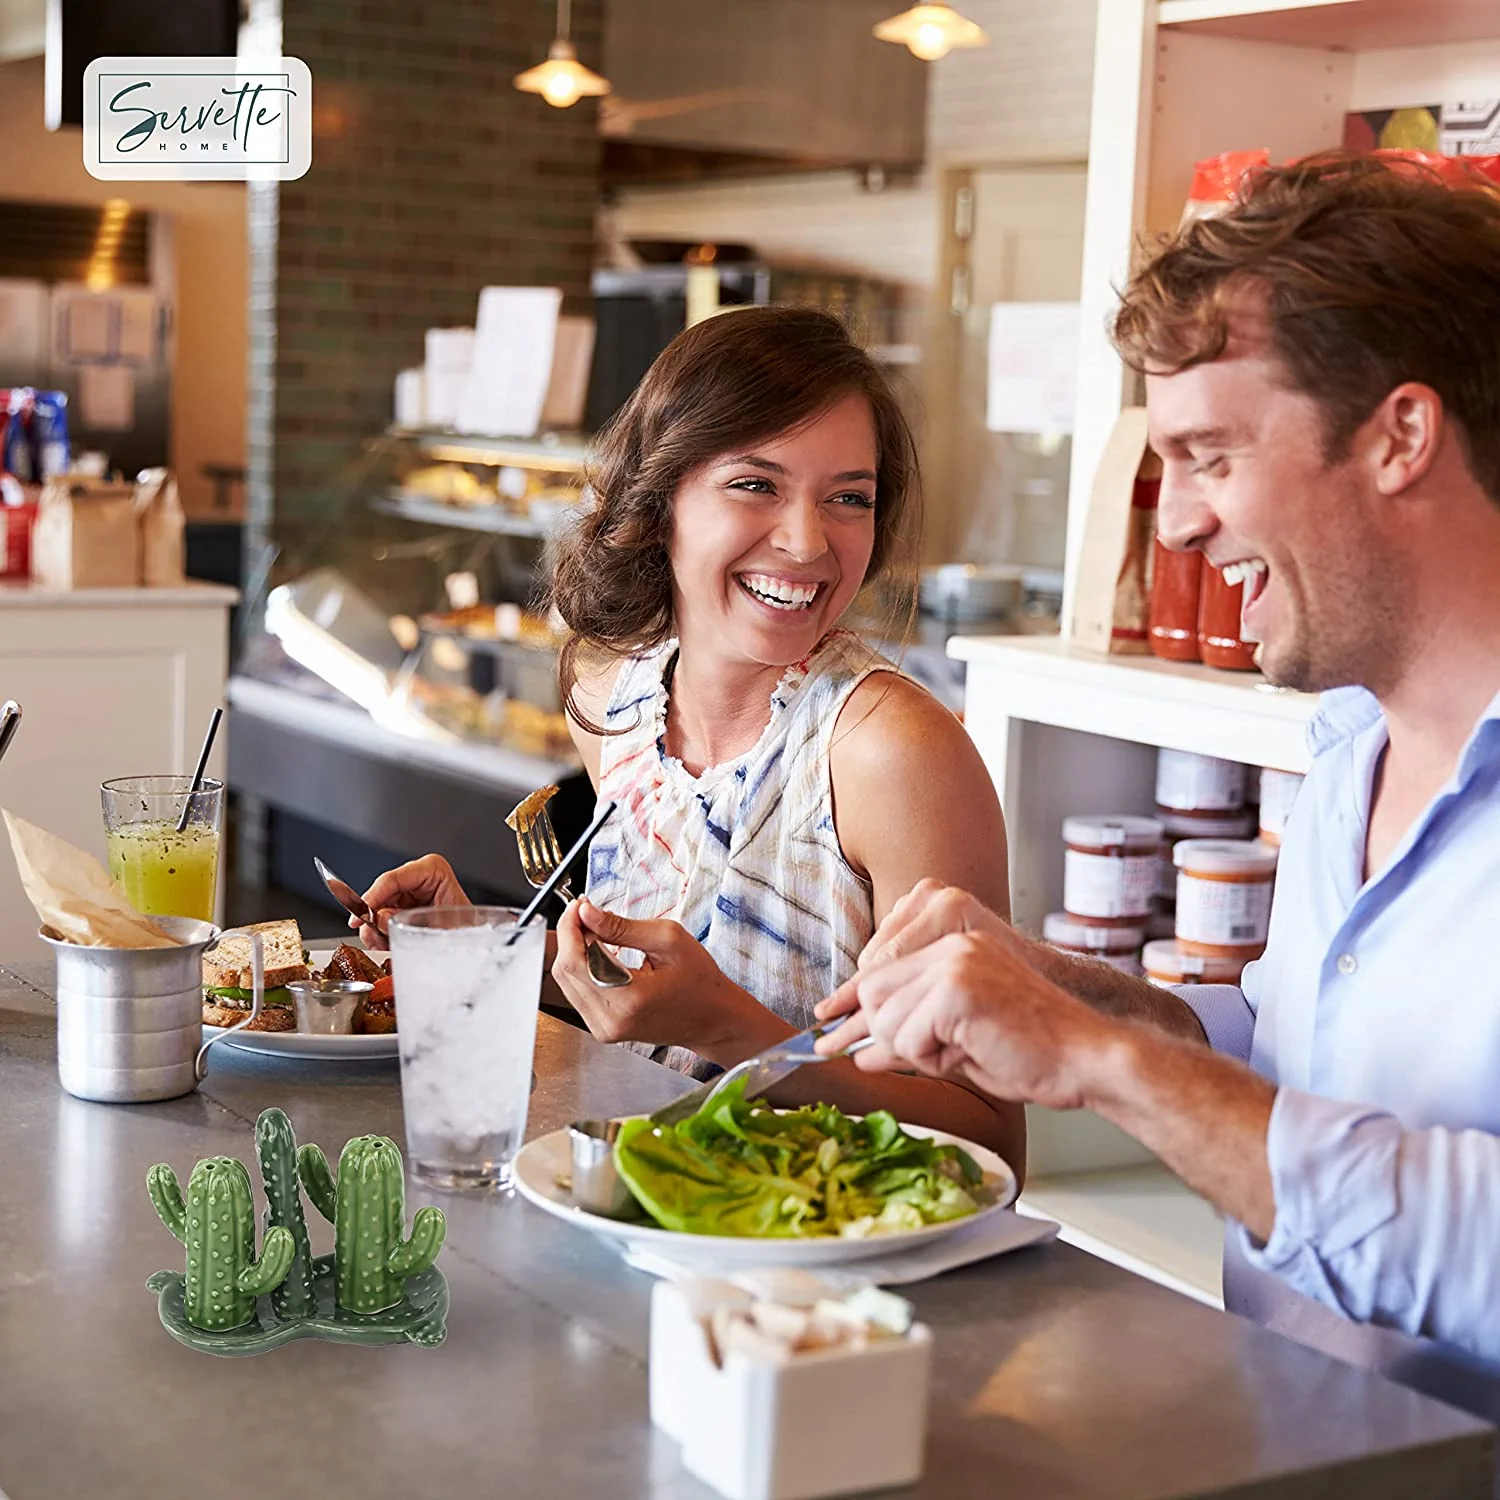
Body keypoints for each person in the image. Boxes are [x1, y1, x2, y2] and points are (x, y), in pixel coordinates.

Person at [817, 153, 1500, 1425]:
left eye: (1208, 455)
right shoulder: (1351, 741)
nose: (1175, 525)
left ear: (1400, 434)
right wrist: (1095, 1002)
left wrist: (1101, 1063)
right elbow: (1306, 1067)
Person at [355, 306, 1021, 1161]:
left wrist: (735, 1030)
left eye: (848, 497)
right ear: (661, 495)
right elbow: (644, 1040)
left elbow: (992, 1136)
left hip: (822, 1273)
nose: (807, 540)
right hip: (631, 1211)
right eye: (757, 484)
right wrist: (489, 953)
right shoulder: (611, 704)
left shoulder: (891, 754)